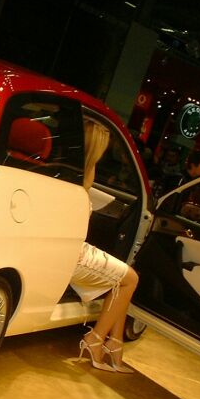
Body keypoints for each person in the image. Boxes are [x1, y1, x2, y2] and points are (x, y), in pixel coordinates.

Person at [73, 120, 140, 373]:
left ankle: (115, 343)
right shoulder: (85, 175)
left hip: (69, 248)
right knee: (129, 279)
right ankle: (95, 340)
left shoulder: (68, 170)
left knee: (121, 277)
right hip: (73, 253)